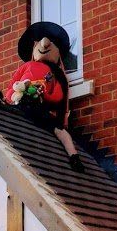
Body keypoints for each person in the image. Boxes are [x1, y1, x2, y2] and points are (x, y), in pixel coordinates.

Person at [7, 21, 85, 173]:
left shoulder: (55, 74)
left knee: (60, 131)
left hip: (40, 107)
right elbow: (11, 87)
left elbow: (58, 95)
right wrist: (17, 93)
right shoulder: (26, 66)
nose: (44, 46)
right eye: (39, 44)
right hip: (22, 104)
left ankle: (74, 157)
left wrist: (45, 95)